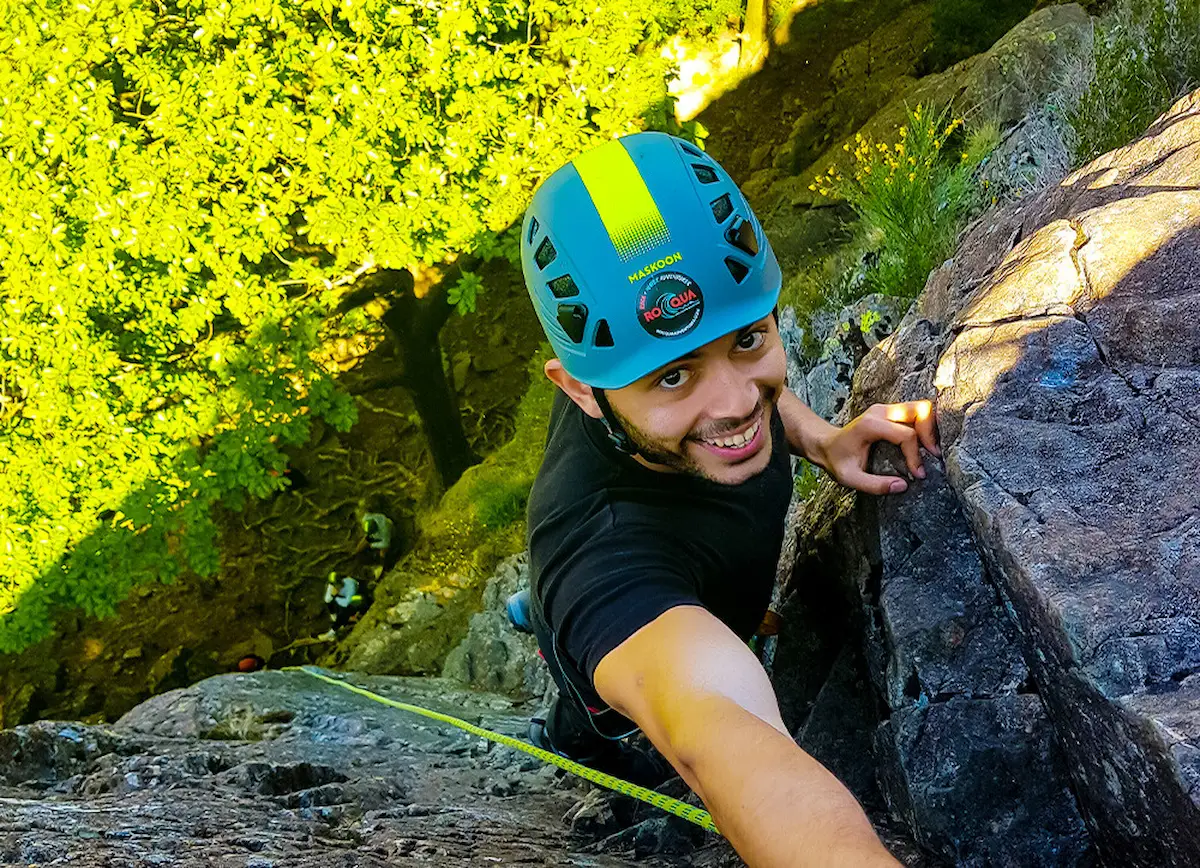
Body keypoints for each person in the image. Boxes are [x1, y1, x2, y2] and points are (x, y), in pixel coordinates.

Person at [512, 131, 937, 867]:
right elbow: (719, 728)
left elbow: (735, 381)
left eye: (749, 339)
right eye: (674, 378)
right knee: (617, 736)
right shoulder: (598, 556)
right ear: (580, 390)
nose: (740, 405)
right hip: (631, 640)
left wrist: (823, 438)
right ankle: (567, 700)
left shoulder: (620, 352)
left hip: (704, 584)